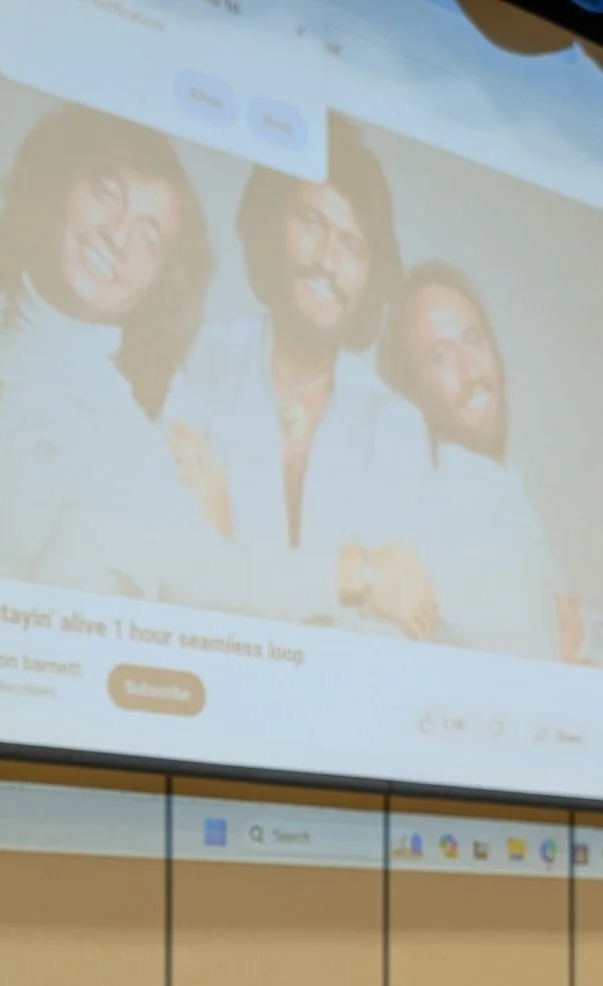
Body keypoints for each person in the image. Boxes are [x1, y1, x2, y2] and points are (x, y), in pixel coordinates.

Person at [0, 105, 378, 623]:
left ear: (158, 283)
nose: (116, 235)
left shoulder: (136, 443)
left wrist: (359, 576)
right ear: (57, 186)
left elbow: (218, 575)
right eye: (107, 192)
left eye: (147, 236)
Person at [163, 117, 441, 637]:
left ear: (370, 277)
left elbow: (392, 631)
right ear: (272, 224)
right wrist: (356, 575)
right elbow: (180, 578)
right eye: (312, 223)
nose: (327, 262)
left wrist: (234, 559)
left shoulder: (396, 425)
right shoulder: (197, 364)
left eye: (353, 247)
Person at [378, 261, 585, 663]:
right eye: (441, 356)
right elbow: (552, 660)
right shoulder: (454, 503)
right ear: (409, 389)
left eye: (474, 341)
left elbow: (569, 632)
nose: (471, 372)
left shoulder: (503, 483)